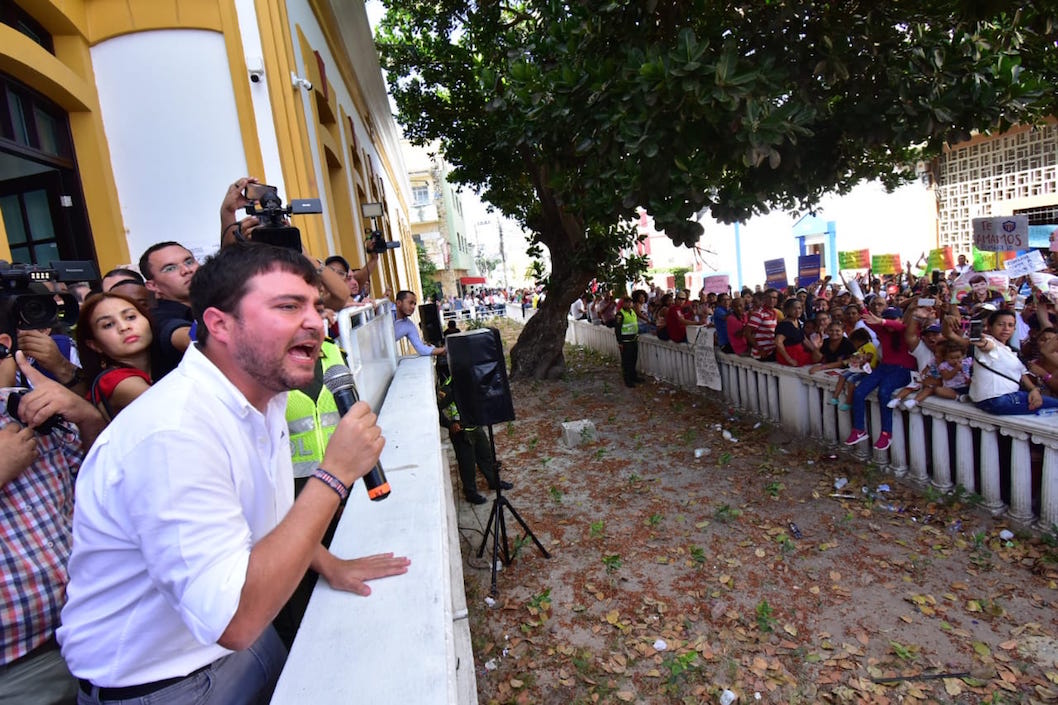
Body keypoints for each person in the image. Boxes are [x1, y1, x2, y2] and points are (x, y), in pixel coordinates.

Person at [58, 243, 409, 705]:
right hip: (168, 685)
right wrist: (335, 474)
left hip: (244, 650)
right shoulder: (172, 434)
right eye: (288, 306)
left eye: (315, 307)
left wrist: (328, 563)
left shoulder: (265, 396)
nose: (315, 323)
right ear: (219, 324)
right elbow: (233, 620)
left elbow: (267, 521)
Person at [0, 331, 106, 704]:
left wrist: (88, 417)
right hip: (16, 668)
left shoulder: (32, 412)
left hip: (90, 631)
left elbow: (105, 490)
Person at [845, 306, 919, 450]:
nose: (890, 321)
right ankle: (859, 429)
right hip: (884, 367)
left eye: (893, 318)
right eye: (887, 317)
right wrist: (860, 304)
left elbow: (899, 325)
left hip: (903, 370)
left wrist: (883, 321)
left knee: (884, 392)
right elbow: (867, 319)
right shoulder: (883, 331)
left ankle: (886, 433)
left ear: (900, 319)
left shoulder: (906, 330)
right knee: (859, 392)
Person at [76, 293, 157, 421]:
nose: (124, 327)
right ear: (94, 345)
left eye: (130, 317)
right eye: (108, 325)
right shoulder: (117, 382)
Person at [964, 309, 1058, 415]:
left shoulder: (1011, 352)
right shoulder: (990, 341)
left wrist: (1034, 390)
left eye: (1010, 325)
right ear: (990, 327)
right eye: (1001, 324)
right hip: (996, 399)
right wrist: (982, 342)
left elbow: (1022, 374)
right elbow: (987, 345)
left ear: (1014, 329)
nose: (1006, 329)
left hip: (1005, 398)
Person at [437, 375, 510, 504]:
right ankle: (470, 493)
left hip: (475, 426)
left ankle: (494, 482)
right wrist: (449, 424)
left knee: (486, 455)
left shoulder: (474, 378)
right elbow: (437, 409)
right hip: (461, 432)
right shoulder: (450, 386)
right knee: (467, 464)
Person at [139, 241, 199, 379]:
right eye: (170, 268)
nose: (186, 270)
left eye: (189, 261)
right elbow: (193, 341)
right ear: (153, 286)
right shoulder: (158, 317)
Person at [393, 290, 446, 357]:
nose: (413, 307)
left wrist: (444, 349)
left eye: (414, 304)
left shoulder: (409, 326)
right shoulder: (384, 310)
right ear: (398, 303)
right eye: (410, 303)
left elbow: (422, 349)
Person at [745, 288, 780, 361]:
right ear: (764, 299)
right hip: (762, 354)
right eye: (769, 297)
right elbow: (747, 333)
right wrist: (759, 349)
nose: (771, 300)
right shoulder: (759, 314)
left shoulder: (775, 313)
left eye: (774, 298)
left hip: (772, 350)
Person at [614, 295, 640, 387]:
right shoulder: (620, 314)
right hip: (625, 342)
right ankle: (627, 379)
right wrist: (620, 343)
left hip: (633, 340)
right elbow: (617, 329)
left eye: (630, 302)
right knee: (626, 361)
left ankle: (634, 376)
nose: (629, 304)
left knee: (634, 359)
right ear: (623, 304)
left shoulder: (632, 312)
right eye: (627, 302)